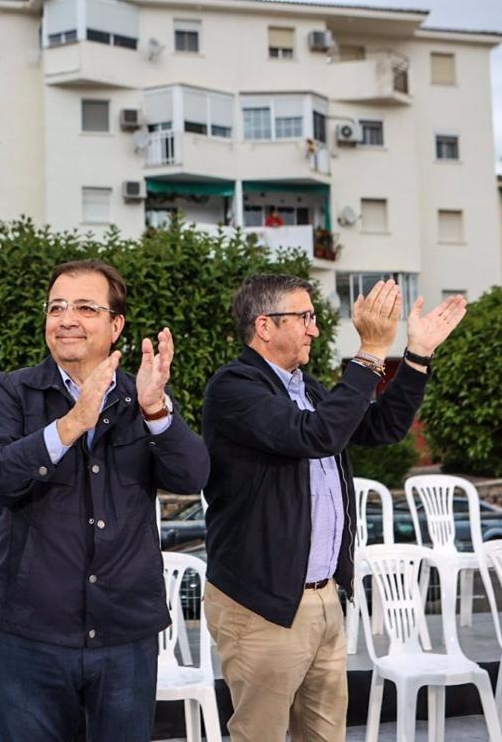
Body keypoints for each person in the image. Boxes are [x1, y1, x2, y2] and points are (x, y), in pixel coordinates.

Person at [201, 273, 467, 742]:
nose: (314, 329)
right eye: (304, 317)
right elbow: (315, 436)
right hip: (262, 603)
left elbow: (381, 427)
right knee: (258, 735)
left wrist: (417, 356)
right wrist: (368, 353)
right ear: (265, 326)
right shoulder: (235, 389)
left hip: (324, 598)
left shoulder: (308, 389)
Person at [0, 259, 209, 741]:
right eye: (56, 307)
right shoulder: (14, 392)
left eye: (85, 307)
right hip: (33, 632)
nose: (67, 319)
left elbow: (192, 473)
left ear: (115, 325)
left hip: (124, 633)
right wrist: (70, 425)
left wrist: (156, 410)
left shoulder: (139, 396)